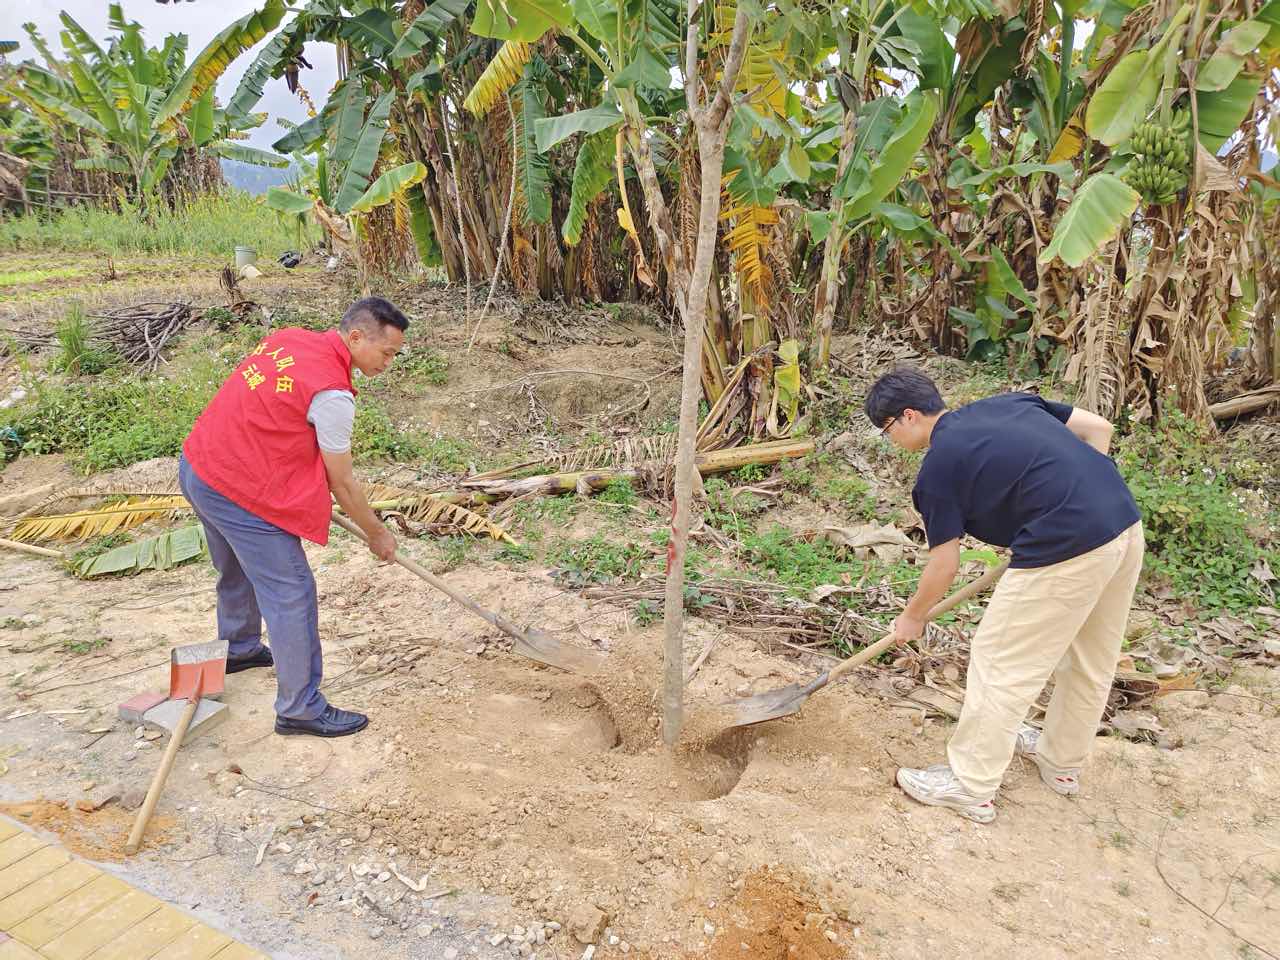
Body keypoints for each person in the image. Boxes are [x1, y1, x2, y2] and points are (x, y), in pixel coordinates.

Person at [864, 367, 1144, 823]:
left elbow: (944, 565)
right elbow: (1099, 429)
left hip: (1065, 545)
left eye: (887, 429)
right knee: (1092, 658)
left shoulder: (938, 468)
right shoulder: (1008, 403)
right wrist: (1084, 493)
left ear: (908, 416)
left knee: (999, 659)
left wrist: (913, 616)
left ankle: (969, 785)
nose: (891, 438)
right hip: (1123, 525)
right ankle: (1061, 763)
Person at [178, 297, 407, 738]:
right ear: (356, 337)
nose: (388, 363)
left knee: (235, 568)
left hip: (199, 466)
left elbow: (266, 412)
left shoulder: (289, 339)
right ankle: (300, 707)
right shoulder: (334, 396)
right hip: (236, 488)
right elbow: (342, 483)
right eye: (387, 353)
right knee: (291, 592)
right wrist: (377, 534)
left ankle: (241, 648)